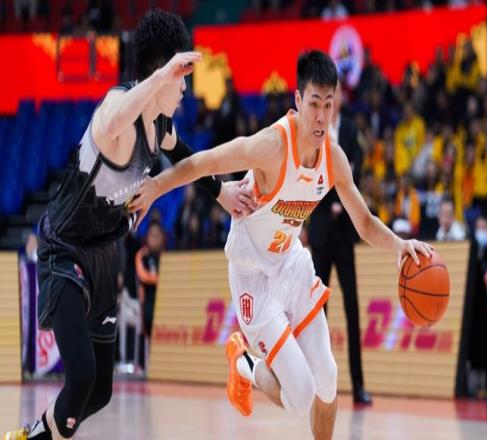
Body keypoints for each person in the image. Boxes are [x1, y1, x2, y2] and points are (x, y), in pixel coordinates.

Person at [129, 50, 433, 439]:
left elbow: (365, 222)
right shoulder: (272, 146)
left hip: (290, 262)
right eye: (314, 104)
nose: (321, 116)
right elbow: (205, 162)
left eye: (328, 104)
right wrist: (156, 186)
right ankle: (245, 364)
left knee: (328, 379)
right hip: (253, 277)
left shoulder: (334, 158)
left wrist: (399, 245)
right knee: (301, 396)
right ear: (298, 100)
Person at [3, 10, 255, 440]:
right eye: (181, 77)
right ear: (162, 73)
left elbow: (187, 157)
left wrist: (221, 193)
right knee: (81, 377)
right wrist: (160, 78)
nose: (185, 87)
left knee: (100, 391)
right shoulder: (115, 115)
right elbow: (113, 117)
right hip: (64, 248)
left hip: (105, 253)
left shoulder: (160, 126)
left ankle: (32, 434)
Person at [308, 84, 372, 404]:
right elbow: (309, 172)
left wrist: (340, 202)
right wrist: (328, 202)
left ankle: (358, 385)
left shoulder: (350, 131)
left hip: (345, 232)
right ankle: (318, 386)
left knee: (351, 307)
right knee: (319, 311)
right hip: (320, 230)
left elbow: (353, 172)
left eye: (337, 95)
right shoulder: (314, 131)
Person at [135, 219, 165, 370]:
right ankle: (144, 364)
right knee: (148, 317)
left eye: (158, 235)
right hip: (147, 299)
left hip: (164, 298)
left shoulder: (167, 255)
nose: (155, 238)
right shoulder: (142, 255)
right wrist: (162, 279)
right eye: (152, 235)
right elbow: (143, 275)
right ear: (147, 237)